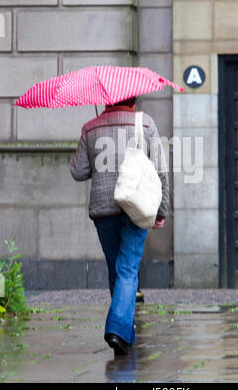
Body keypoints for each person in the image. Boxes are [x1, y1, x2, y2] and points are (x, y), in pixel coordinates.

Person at [70, 97, 169, 356]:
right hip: (137, 205)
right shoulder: (145, 124)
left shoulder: (90, 127)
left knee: (117, 270)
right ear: (133, 100)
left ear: (105, 101)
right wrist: (162, 210)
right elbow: (161, 171)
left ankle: (125, 336)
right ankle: (117, 330)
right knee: (127, 270)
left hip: (103, 210)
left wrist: (94, 152)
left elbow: (78, 172)